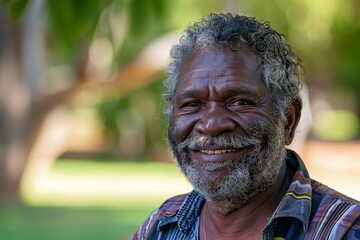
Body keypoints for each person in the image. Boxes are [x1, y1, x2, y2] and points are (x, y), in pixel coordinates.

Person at [131, 13, 360, 240]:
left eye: (239, 102)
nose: (211, 124)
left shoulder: (346, 231)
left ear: (288, 119)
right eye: (192, 104)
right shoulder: (159, 227)